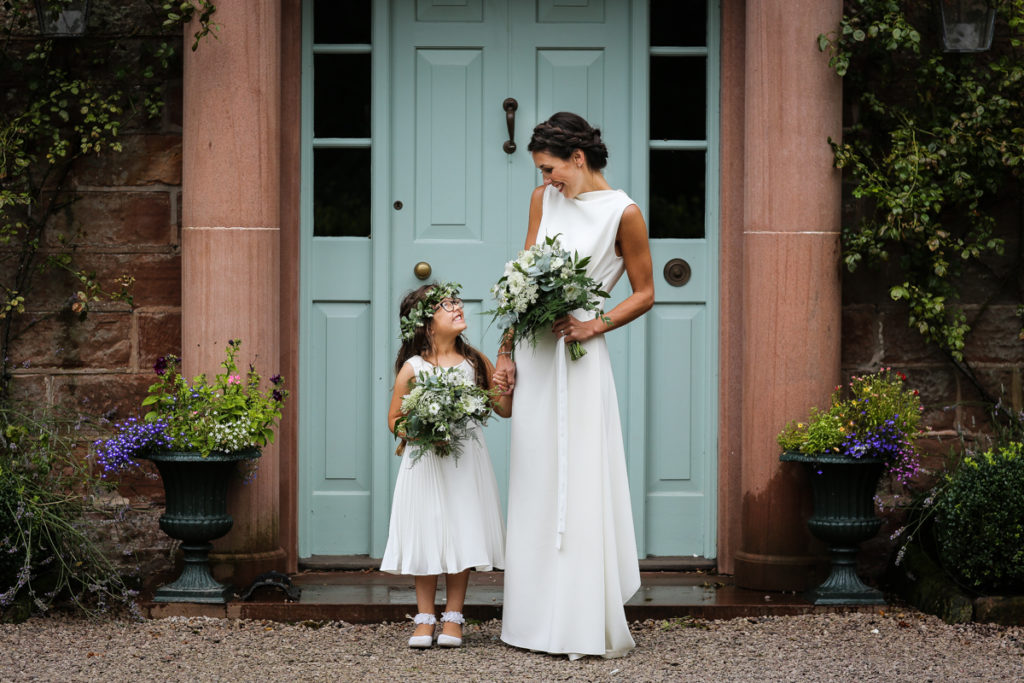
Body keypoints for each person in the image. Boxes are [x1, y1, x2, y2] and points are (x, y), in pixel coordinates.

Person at [495, 112, 654, 659]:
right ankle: (532, 622)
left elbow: (645, 291)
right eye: (541, 171)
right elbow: (522, 275)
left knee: (580, 480)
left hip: (580, 357)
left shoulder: (624, 213)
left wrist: (594, 323)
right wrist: (506, 350)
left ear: (578, 159)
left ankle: (582, 621)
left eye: (550, 168)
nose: (546, 179)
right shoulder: (544, 202)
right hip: (537, 358)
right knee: (536, 477)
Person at [381, 282, 512, 649]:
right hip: (424, 463)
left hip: (464, 461)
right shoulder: (413, 367)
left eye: (457, 300)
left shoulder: (475, 362)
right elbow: (393, 419)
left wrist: (506, 380)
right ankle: (424, 617)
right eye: (446, 305)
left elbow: (503, 408)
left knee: (461, 526)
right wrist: (421, 429)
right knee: (427, 528)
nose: (458, 307)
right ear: (425, 324)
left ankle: (453, 616)